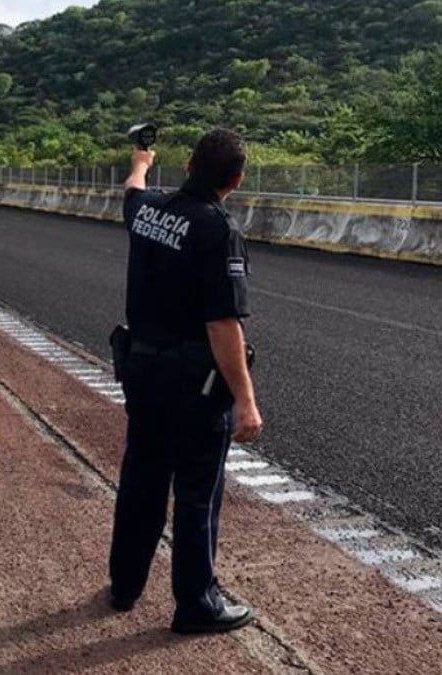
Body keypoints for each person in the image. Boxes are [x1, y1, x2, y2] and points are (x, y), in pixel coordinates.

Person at [108, 128, 264, 634]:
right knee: (197, 493)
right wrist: (245, 400)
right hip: (192, 386)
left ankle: (125, 585)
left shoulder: (150, 210)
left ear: (190, 163)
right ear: (236, 180)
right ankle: (196, 604)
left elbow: (132, 191)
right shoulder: (218, 231)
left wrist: (141, 161)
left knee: (141, 481)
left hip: (142, 373)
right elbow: (223, 325)